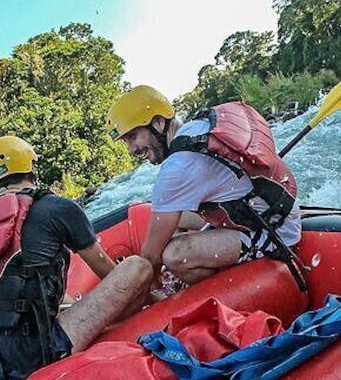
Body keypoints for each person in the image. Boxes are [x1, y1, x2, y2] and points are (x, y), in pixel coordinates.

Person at [0, 135, 152, 380]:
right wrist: (152, 298)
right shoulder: (57, 208)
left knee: (52, 295)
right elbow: (107, 271)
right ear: (30, 167)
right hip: (35, 357)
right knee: (137, 268)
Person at [106, 86, 303, 288]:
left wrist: (153, 290)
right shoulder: (198, 127)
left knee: (174, 255)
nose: (131, 150)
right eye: (126, 141)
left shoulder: (177, 167)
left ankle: (225, 288)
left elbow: (151, 256)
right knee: (176, 218)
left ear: (158, 122)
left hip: (276, 234)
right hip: (272, 211)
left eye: (133, 136)